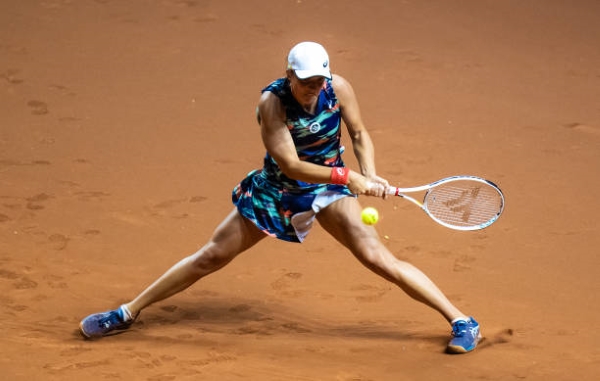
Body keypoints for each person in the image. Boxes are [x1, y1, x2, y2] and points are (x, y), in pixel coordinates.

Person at [79, 41, 482, 354]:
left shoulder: (337, 88)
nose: (313, 89)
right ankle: (126, 313)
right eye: (305, 81)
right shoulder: (271, 104)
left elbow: (358, 134)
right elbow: (289, 164)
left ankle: (463, 322)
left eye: (318, 81)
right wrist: (349, 175)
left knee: (379, 259)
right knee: (211, 256)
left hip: (330, 189)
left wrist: (370, 175)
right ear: (289, 74)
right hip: (279, 190)